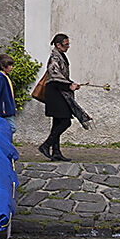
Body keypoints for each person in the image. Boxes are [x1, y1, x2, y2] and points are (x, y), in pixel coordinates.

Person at [32, 33, 83, 161]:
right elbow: (55, 76)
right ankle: (46, 145)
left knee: (57, 123)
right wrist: (69, 85)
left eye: (68, 44)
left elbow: (62, 77)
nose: (68, 47)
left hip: (59, 92)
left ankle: (56, 152)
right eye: (66, 44)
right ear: (58, 45)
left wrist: (71, 84)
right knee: (65, 121)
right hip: (55, 94)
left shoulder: (60, 55)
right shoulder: (55, 57)